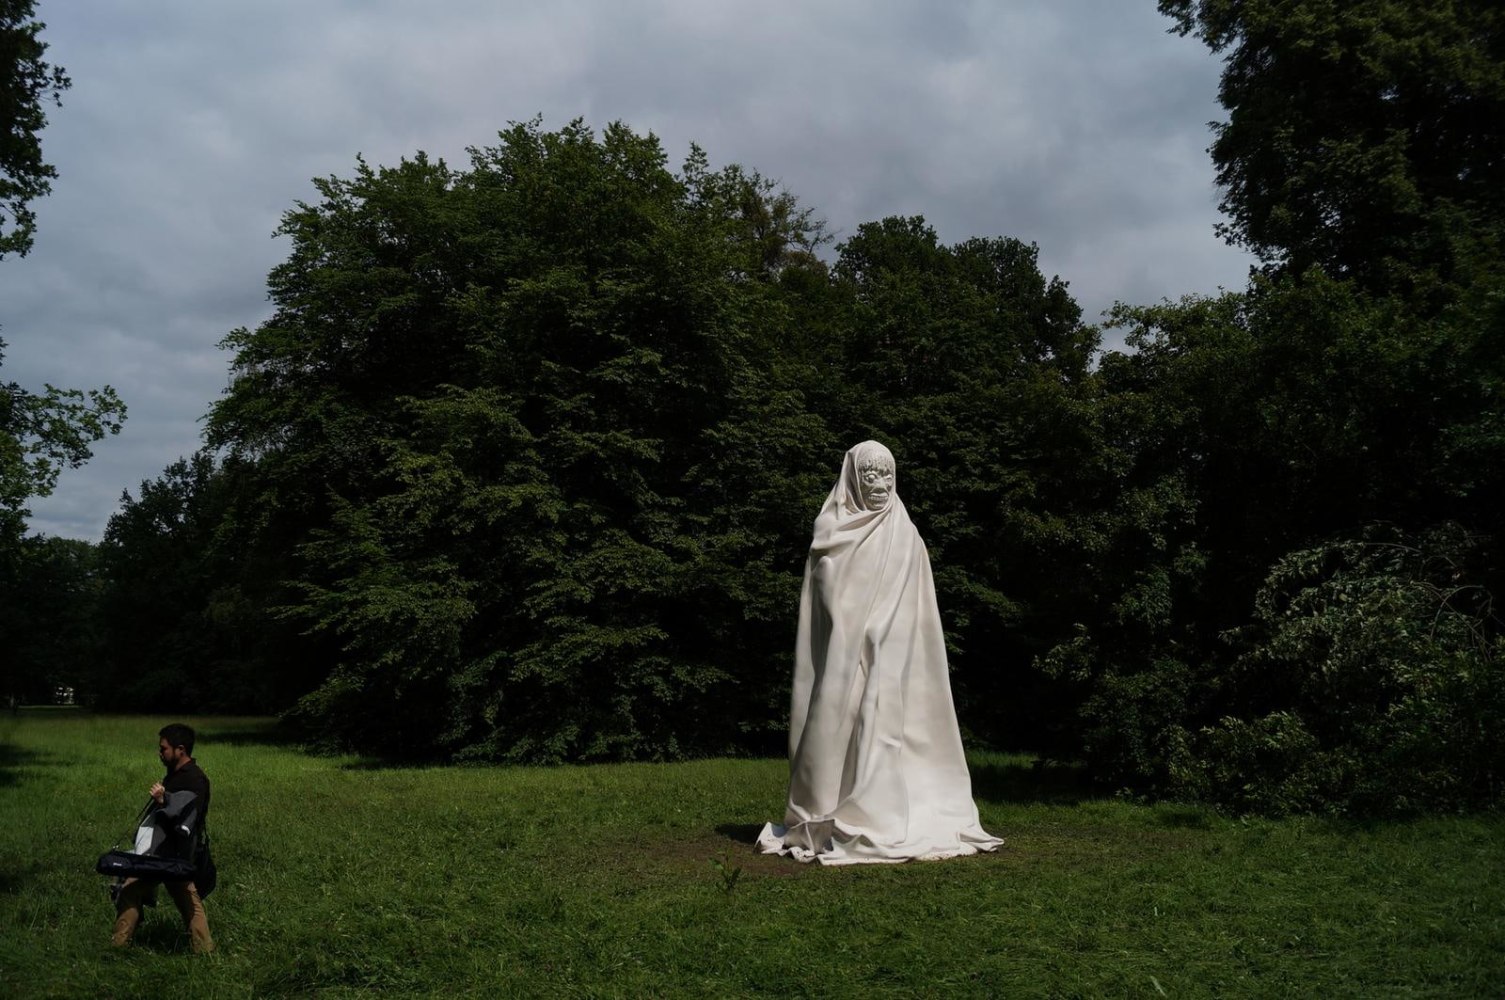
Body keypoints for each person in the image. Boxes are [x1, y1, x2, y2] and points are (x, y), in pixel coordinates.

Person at [757, 440, 1003, 864]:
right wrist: (852, 630)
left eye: (887, 473)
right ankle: (830, 803)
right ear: (853, 478)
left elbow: (919, 604)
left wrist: (882, 633)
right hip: (841, 659)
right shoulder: (830, 533)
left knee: (884, 723)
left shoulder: (905, 534)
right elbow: (825, 602)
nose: (879, 483)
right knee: (839, 724)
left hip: (894, 653)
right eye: (870, 474)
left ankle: (882, 807)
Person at [110, 723, 214, 953]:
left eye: (163, 749)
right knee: (184, 901)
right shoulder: (176, 775)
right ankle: (204, 949)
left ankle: (119, 946)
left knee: (134, 892)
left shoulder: (195, 779)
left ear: (180, 749)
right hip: (162, 853)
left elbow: (188, 821)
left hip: (172, 855)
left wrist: (163, 801)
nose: (160, 754)